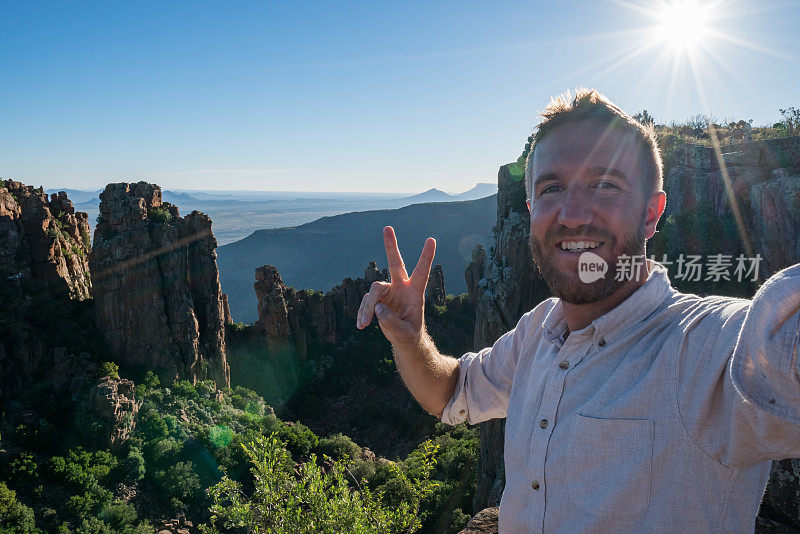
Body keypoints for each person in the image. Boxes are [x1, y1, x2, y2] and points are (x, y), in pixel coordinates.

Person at [356, 88, 800, 532]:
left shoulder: (703, 348)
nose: (571, 214)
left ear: (651, 213)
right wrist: (411, 340)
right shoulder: (538, 331)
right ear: (531, 210)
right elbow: (452, 391)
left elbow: (778, 349)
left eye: (605, 184)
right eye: (552, 188)